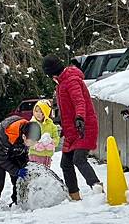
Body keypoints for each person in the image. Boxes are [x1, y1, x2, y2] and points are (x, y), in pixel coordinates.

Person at [42, 55, 101, 200]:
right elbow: (67, 109)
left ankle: (97, 187)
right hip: (72, 130)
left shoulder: (71, 81)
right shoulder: (61, 83)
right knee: (65, 163)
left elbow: (79, 102)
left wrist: (80, 118)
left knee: (79, 159)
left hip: (84, 126)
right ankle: (74, 196)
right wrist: (64, 125)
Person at [0, 116, 41, 209]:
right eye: (32, 142)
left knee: (18, 171)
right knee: (0, 173)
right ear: (24, 137)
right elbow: (2, 159)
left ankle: (16, 199)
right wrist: (16, 171)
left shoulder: (28, 132)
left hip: (12, 146)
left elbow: (23, 155)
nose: (33, 145)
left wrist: (23, 166)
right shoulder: (7, 135)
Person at [29, 100, 60, 168]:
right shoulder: (31, 124)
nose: (38, 114)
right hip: (34, 155)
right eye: (36, 111)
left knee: (46, 175)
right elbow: (27, 140)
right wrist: (35, 145)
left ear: (46, 113)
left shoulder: (51, 125)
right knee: (37, 174)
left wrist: (52, 143)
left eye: (42, 112)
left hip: (47, 156)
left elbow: (56, 137)